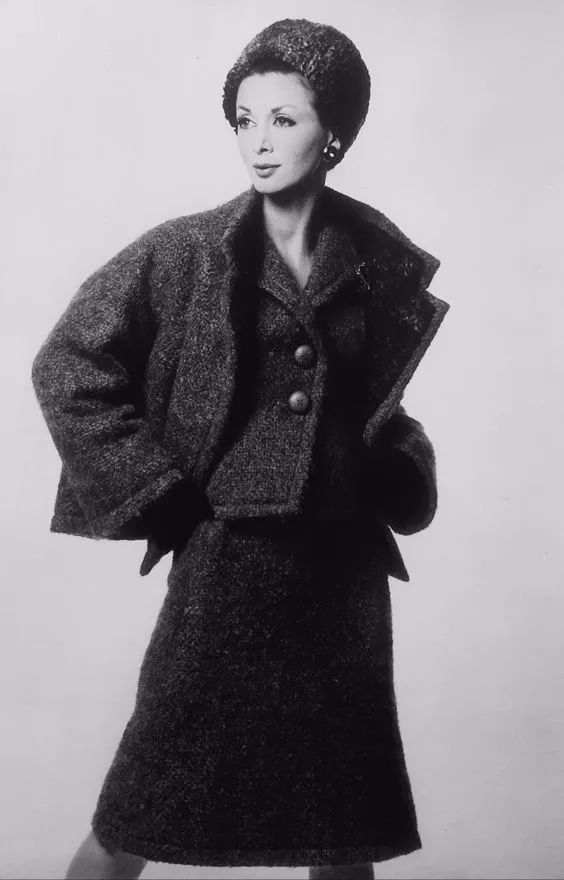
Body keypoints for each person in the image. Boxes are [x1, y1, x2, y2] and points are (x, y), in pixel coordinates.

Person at [31, 17, 450, 880]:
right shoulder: (185, 252)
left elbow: (379, 405)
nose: (258, 141)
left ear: (333, 135)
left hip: (344, 574)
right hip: (229, 566)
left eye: (283, 119)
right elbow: (68, 363)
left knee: (344, 829)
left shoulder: (372, 262)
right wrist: (152, 486)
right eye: (244, 119)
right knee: (135, 813)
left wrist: (401, 465)